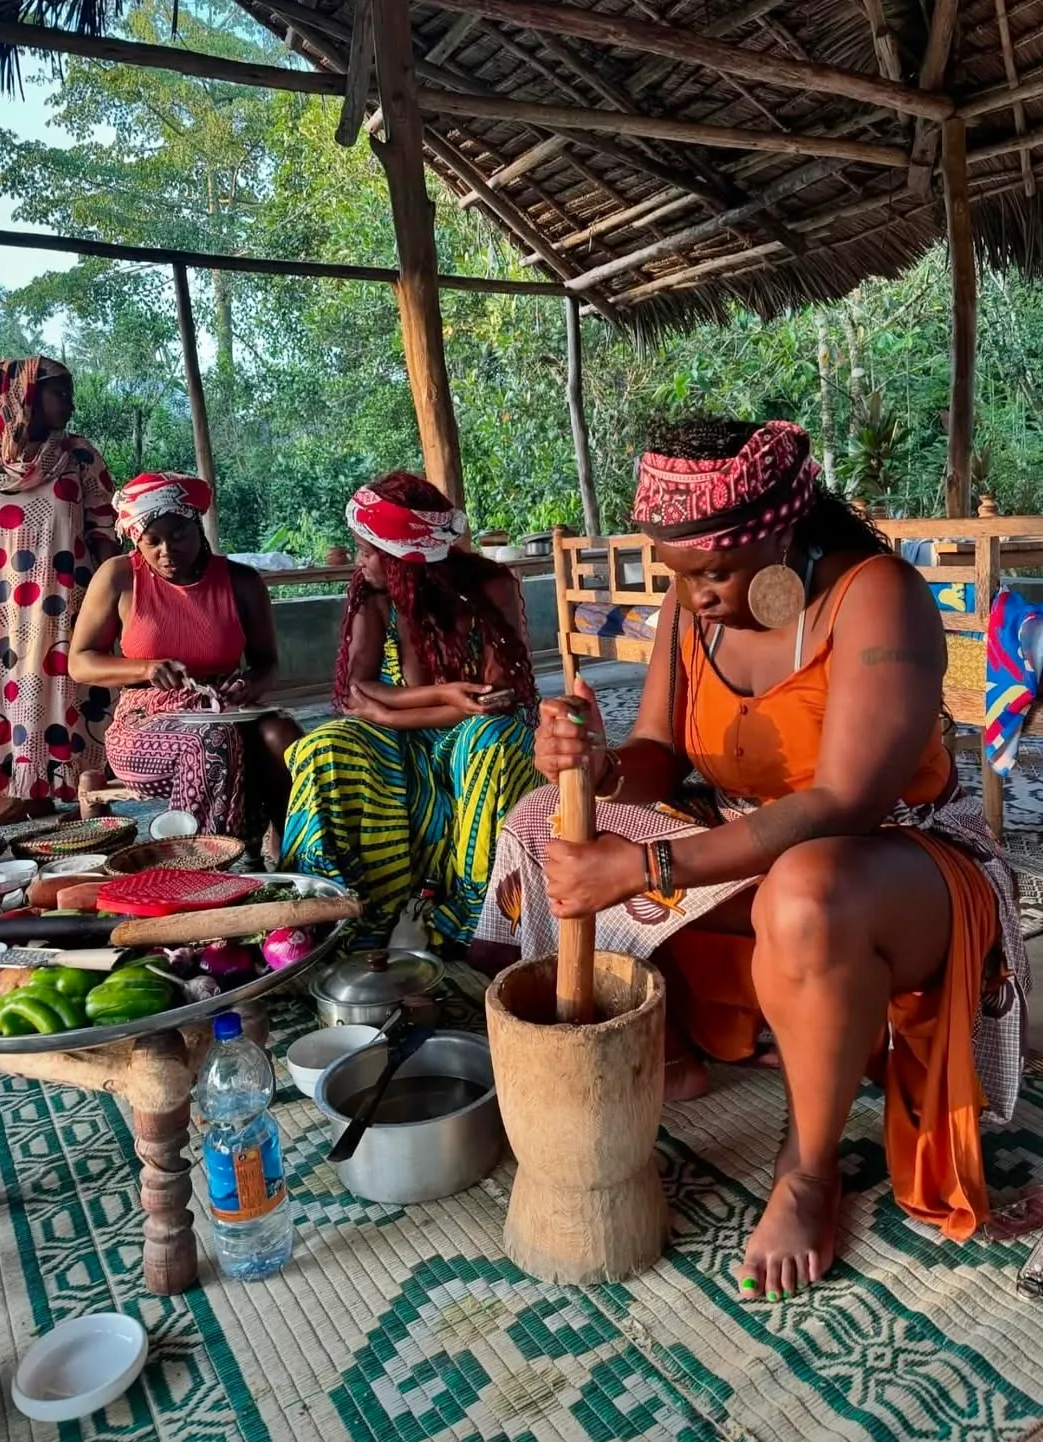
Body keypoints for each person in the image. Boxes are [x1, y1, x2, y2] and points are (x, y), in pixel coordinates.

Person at [471, 415, 1027, 1303]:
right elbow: (659, 752)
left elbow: (842, 802)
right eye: (677, 575)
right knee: (541, 821)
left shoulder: (875, 597)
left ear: (779, 530)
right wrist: (600, 763)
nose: (694, 595)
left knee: (803, 895)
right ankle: (680, 1046)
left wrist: (646, 869)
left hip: (899, 857)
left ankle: (807, 1171)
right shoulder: (691, 612)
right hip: (746, 836)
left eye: (714, 572)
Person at [281, 472, 539, 947]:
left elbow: (489, 702)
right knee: (326, 746)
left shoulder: (491, 585)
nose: (359, 562)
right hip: (411, 731)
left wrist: (391, 710)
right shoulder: (373, 597)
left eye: (368, 550)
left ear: (407, 560)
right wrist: (436, 698)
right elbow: (358, 690)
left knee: (490, 743)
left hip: (480, 728)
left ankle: (481, 924)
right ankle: (338, 914)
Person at [69, 472, 302, 841]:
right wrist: (144, 668)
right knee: (211, 741)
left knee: (285, 736)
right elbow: (79, 662)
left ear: (198, 527)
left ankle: (295, 847)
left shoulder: (241, 582)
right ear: (137, 541)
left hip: (226, 711)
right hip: (145, 721)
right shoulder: (119, 577)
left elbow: (267, 664)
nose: (167, 550)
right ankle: (204, 861)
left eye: (178, 535)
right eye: (153, 541)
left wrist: (250, 683)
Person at [0, 356, 119, 815]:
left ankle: (84, 791)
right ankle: (27, 793)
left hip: (72, 602)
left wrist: (122, 607)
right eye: (59, 392)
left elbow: (106, 531)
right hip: (7, 608)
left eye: (70, 392)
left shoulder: (78, 455)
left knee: (74, 692)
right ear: (24, 395)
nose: (69, 402)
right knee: (12, 695)